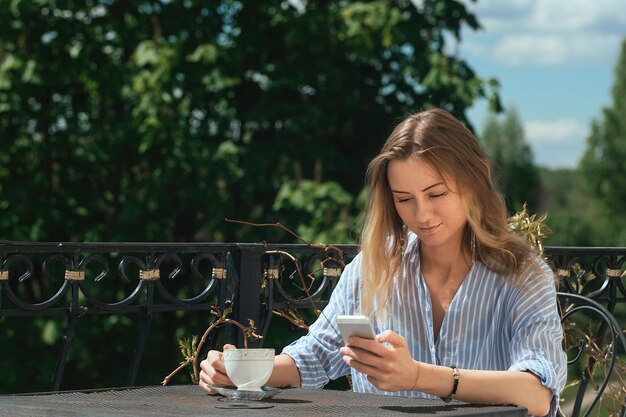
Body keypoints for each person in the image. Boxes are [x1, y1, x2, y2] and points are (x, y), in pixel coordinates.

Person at [199, 108, 567, 417]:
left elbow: (536, 394)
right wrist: (244, 372)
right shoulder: (374, 266)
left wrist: (417, 376)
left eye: (436, 193)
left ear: (472, 183)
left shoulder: (523, 274)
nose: (422, 215)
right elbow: (313, 357)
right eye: (404, 199)